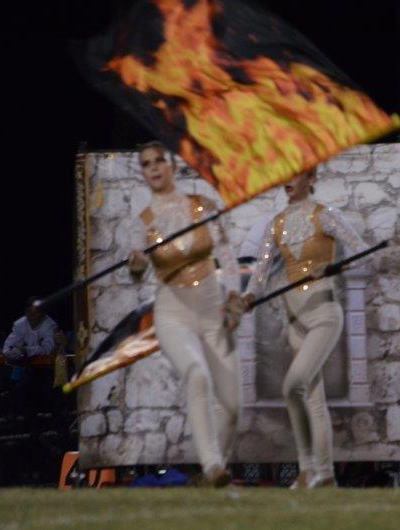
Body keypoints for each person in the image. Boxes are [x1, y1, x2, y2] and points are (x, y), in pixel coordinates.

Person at [230, 167, 369, 489]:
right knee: (311, 399)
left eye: (295, 175)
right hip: (294, 320)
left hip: (323, 313)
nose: (287, 181)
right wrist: (249, 297)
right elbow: (260, 274)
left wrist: (332, 266)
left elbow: (361, 251)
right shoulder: (276, 223)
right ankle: (317, 473)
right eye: (284, 176)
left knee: (293, 385)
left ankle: (315, 471)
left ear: (312, 179)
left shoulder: (326, 215)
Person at [128, 141, 241, 487]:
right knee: (197, 375)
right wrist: (136, 266)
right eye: (146, 163)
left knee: (232, 406)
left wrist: (233, 295)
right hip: (173, 312)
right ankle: (212, 466)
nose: (153, 167)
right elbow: (137, 274)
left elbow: (227, 256)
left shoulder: (203, 206)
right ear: (144, 173)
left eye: (159, 160)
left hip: (211, 310)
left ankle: (212, 475)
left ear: (173, 166)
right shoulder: (143, 223)